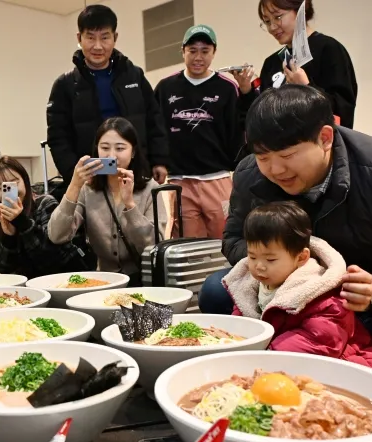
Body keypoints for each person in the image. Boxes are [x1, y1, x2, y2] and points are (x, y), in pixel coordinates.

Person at [199, 85, 372, 390]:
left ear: (325, 138)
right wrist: (276, 267)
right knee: (214, 291)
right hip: (285, 296)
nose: (275, 169)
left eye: (287, 155)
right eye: (263, 157)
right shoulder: (252, 173)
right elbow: (234, 238)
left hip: (363, 305)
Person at [224, 201, 372, 377]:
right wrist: (235, 342)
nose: (259, 266)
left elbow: (322, 339)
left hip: (342, 364)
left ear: (301, 257)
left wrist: (269, 354)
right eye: (252, 256)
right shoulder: (252, 285)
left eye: (270, 260)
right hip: (284, 360)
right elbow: (243, 318)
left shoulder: (320, 291)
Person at [46, 4, 170, 200]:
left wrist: (159, 160)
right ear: (79, 38)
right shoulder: (65, 85)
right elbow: (58, 137)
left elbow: (154, 120)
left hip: (135, 175)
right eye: (90, 37)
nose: (97, 46)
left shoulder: (134, 76)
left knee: (140, 226)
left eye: (104, 37)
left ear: (115, 38)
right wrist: (74, 175)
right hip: (91, 181)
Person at [48, 117, 167, 284]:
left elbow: (153, 247)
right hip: (103, 281)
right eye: (104, 148)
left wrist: (130, 205)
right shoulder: (87, 188)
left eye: (120, 148)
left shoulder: (150, 188)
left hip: (143, 281)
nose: (111, 155)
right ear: (96, 150)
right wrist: (74, 185)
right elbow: (56, 235)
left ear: (133, 152)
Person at [154, 24, 244, 239]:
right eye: (192, 51)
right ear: (182, 51)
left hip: (218, 178)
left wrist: (239, 169)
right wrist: (157, 161)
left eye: (205, 51)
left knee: (225, 241)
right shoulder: (165, 88)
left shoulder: (228, 88)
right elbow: (155, 130)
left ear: (214, 52)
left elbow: (238, 131)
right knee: (186, 246)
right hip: (179, 180)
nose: (198, 57)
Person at [231, 0, 358, 128]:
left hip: (313, 145)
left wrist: (306, 88)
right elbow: (257, 121)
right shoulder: (272, 62)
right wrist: (246, 90)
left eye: (278, 17)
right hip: (276, 145)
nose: (272, 27)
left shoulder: (329, 49)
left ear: (300, 11)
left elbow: (343, 111)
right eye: (267, 21)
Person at [0, 156, 92, 278]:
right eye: (3, 188)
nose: (12, 191)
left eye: (15, 182)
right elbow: (2, 268)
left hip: (65, 278)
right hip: (27, 288)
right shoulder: (0, 215)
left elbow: (50, 260)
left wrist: (22, 222)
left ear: (25, 181)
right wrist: (8, 238)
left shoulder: (45, 203)